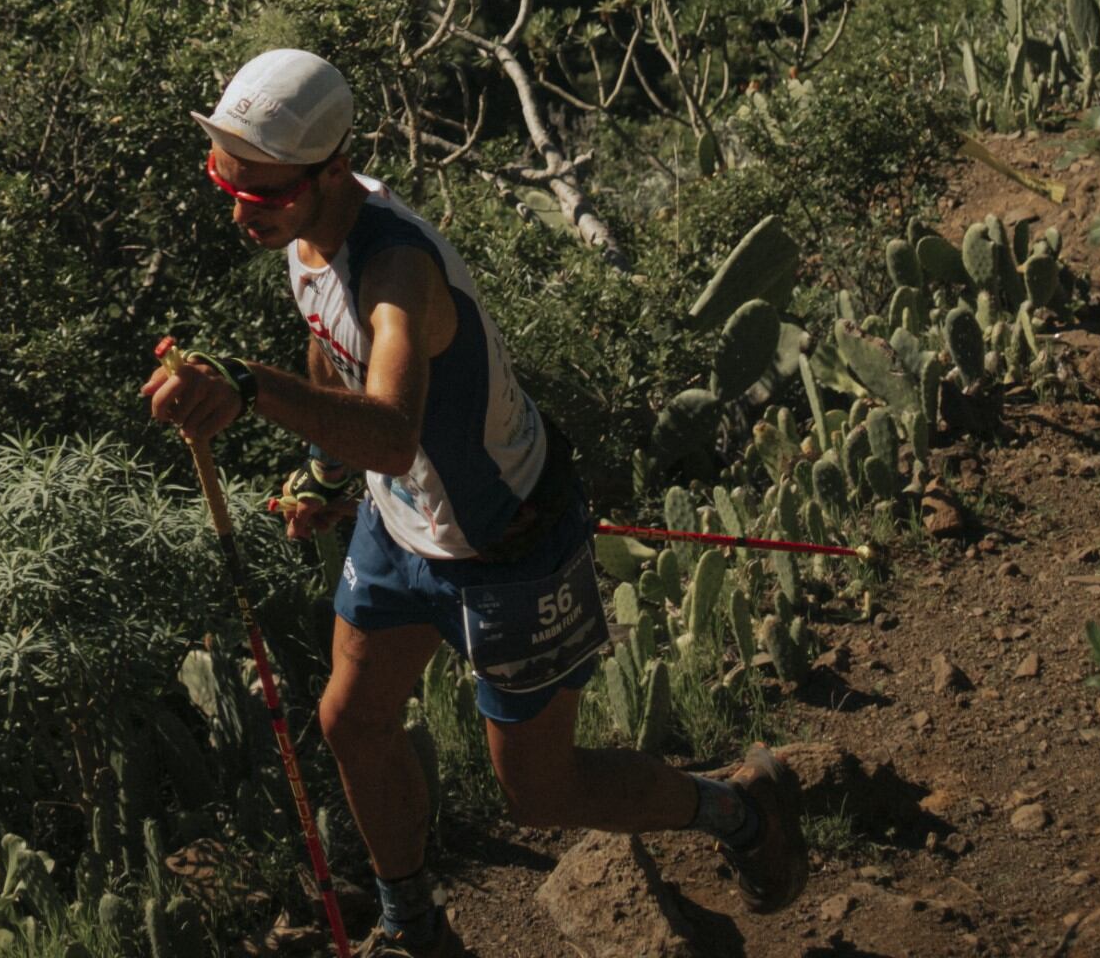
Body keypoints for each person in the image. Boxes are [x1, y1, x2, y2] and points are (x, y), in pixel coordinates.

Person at [143, 48, 807, 954]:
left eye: (261, 192)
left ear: (333, 167)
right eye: (228, 181)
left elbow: (390, 429)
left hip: (506, 547)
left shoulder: (399, 276)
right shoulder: (307, 233)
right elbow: (324, 346)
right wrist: (324, 478)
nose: (240, 210)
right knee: (351, 720)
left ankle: (738, 809)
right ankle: (412, 926)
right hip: (397, 525)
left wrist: (247, 388)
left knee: (540, 792)